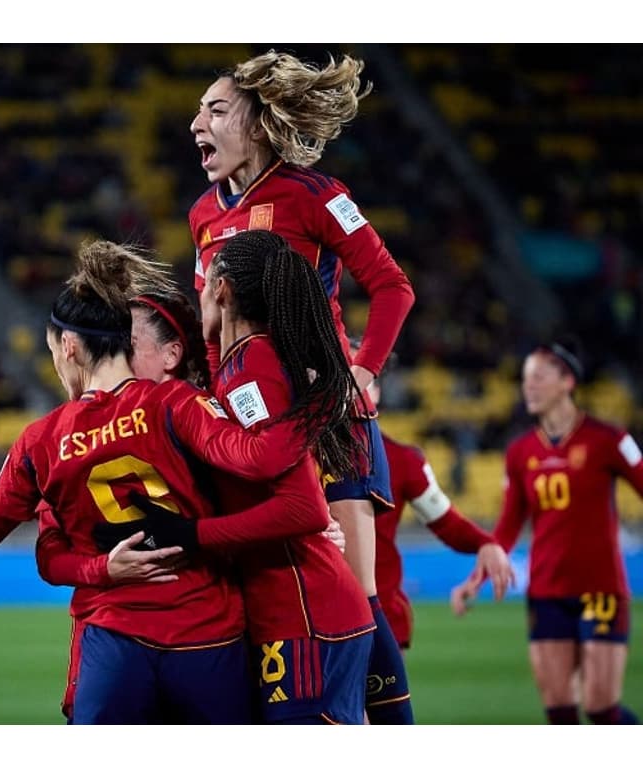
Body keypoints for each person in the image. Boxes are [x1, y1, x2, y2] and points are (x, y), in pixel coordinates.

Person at [0, 240, 331, 724]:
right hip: (207, 634)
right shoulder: (177, 403)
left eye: (54, 350)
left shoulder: (42, 439)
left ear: (70, 347)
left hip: (114, 644)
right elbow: (252, 461)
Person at [188, 49, 416, 723]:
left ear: (258, 125)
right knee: (271, 593)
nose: (196, 121)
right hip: (254, 427)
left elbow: (392, 287)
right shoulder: (203, 214)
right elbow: (208, 328)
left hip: (325, 418)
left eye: (216, 109)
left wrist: (364, 372)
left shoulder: (318, 194)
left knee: (355, 594)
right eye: (198, 108)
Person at [451, 340, 642, 725]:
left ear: (567, 381)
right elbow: (507, 524)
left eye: (539, 376)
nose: (529, 387)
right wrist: (478, 576)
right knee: (559, 713)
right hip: (547, 591)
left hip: (600, 588)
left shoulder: (610, 440)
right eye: (525, 379)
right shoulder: (520, 451)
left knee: (601, 707)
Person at [364, 359, 514, 654]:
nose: (352, 386)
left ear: (378, 392)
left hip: (382, 619)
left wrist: (485, 543)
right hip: (318, 619)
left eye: (363, 377)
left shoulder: (404, 460)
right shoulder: (301, 455)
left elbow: (445, 521)